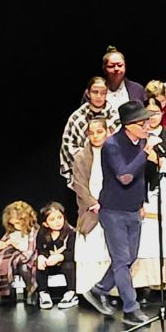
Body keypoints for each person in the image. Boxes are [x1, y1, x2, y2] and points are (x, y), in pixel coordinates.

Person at [81, 101, 160, 325]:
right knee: (121, 260)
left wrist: (142, 201)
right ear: (129, 125)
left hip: (133, 209)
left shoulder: (142, 142)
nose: (147, 125)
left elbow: (141, 179)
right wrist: (145, 152)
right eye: (142, 122)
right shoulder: (112, 145)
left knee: (129, 257)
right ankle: (130, 309)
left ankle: (99, 289)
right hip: (113, 211)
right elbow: (124, 177)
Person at [131, 95, 166, 300]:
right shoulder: (138, 138)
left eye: (156, 113)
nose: (152, 118)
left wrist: (159, 160)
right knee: (147, 239)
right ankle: (144, 284)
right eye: (148, 114)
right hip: (146, 193)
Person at [70, 119, 112, 299]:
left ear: (107, 132)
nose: (95, 136)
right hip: (90, 209)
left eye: (99, 132)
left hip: (112, 206)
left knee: (110, 250)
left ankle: (108, 292)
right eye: (92, 133)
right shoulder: (81, 157)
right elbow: (78, 184)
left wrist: (109, 202)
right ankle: (88, 291)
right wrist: (93, 203)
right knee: (92, 248)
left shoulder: (114, 153)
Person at [60, 77, 120, 183]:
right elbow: (68, 145)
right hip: (82, 173)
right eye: (95, 92)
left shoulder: (115, 117)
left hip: (111, 172)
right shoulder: (77, 118)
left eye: (103, 93)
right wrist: (85, 162)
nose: (99, 96)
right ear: (88, 93)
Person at [35, 203, 77, 311]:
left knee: (69, 266)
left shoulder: (70, 233)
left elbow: (72, 252)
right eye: (52, 219)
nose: (57, 221)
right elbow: (41, 250)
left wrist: (61, 257)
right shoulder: (42, 235)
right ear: (45, 223)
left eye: (59, 218)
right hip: (50, 264)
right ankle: (43, 293)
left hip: (64, 263)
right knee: (40, 267)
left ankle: (71, 293)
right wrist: (41, 257)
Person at [0, 201, 39, 304]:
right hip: (14, 258)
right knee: (2, 263)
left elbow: (30, 251)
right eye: (13, 224)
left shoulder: (34, 232)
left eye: (18, 223)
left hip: (29, 257)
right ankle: (4, 292)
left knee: (24, 266)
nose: (16, 226)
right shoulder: (11, 232)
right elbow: (4, 243)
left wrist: (17, 246)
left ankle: (31, 290)